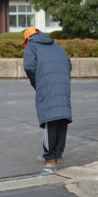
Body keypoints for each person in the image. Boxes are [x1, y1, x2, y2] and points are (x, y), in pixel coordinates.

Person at [23, 27, 72, 165]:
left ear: (28, 38)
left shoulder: (31, 46)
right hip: (63, 84)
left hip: (46, 84)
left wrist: (36, 82)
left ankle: (49, 156)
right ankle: (59, 155)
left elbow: (29, 67)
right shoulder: (57, 46)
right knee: (62, 117)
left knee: (50, 118)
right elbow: (69, 64)